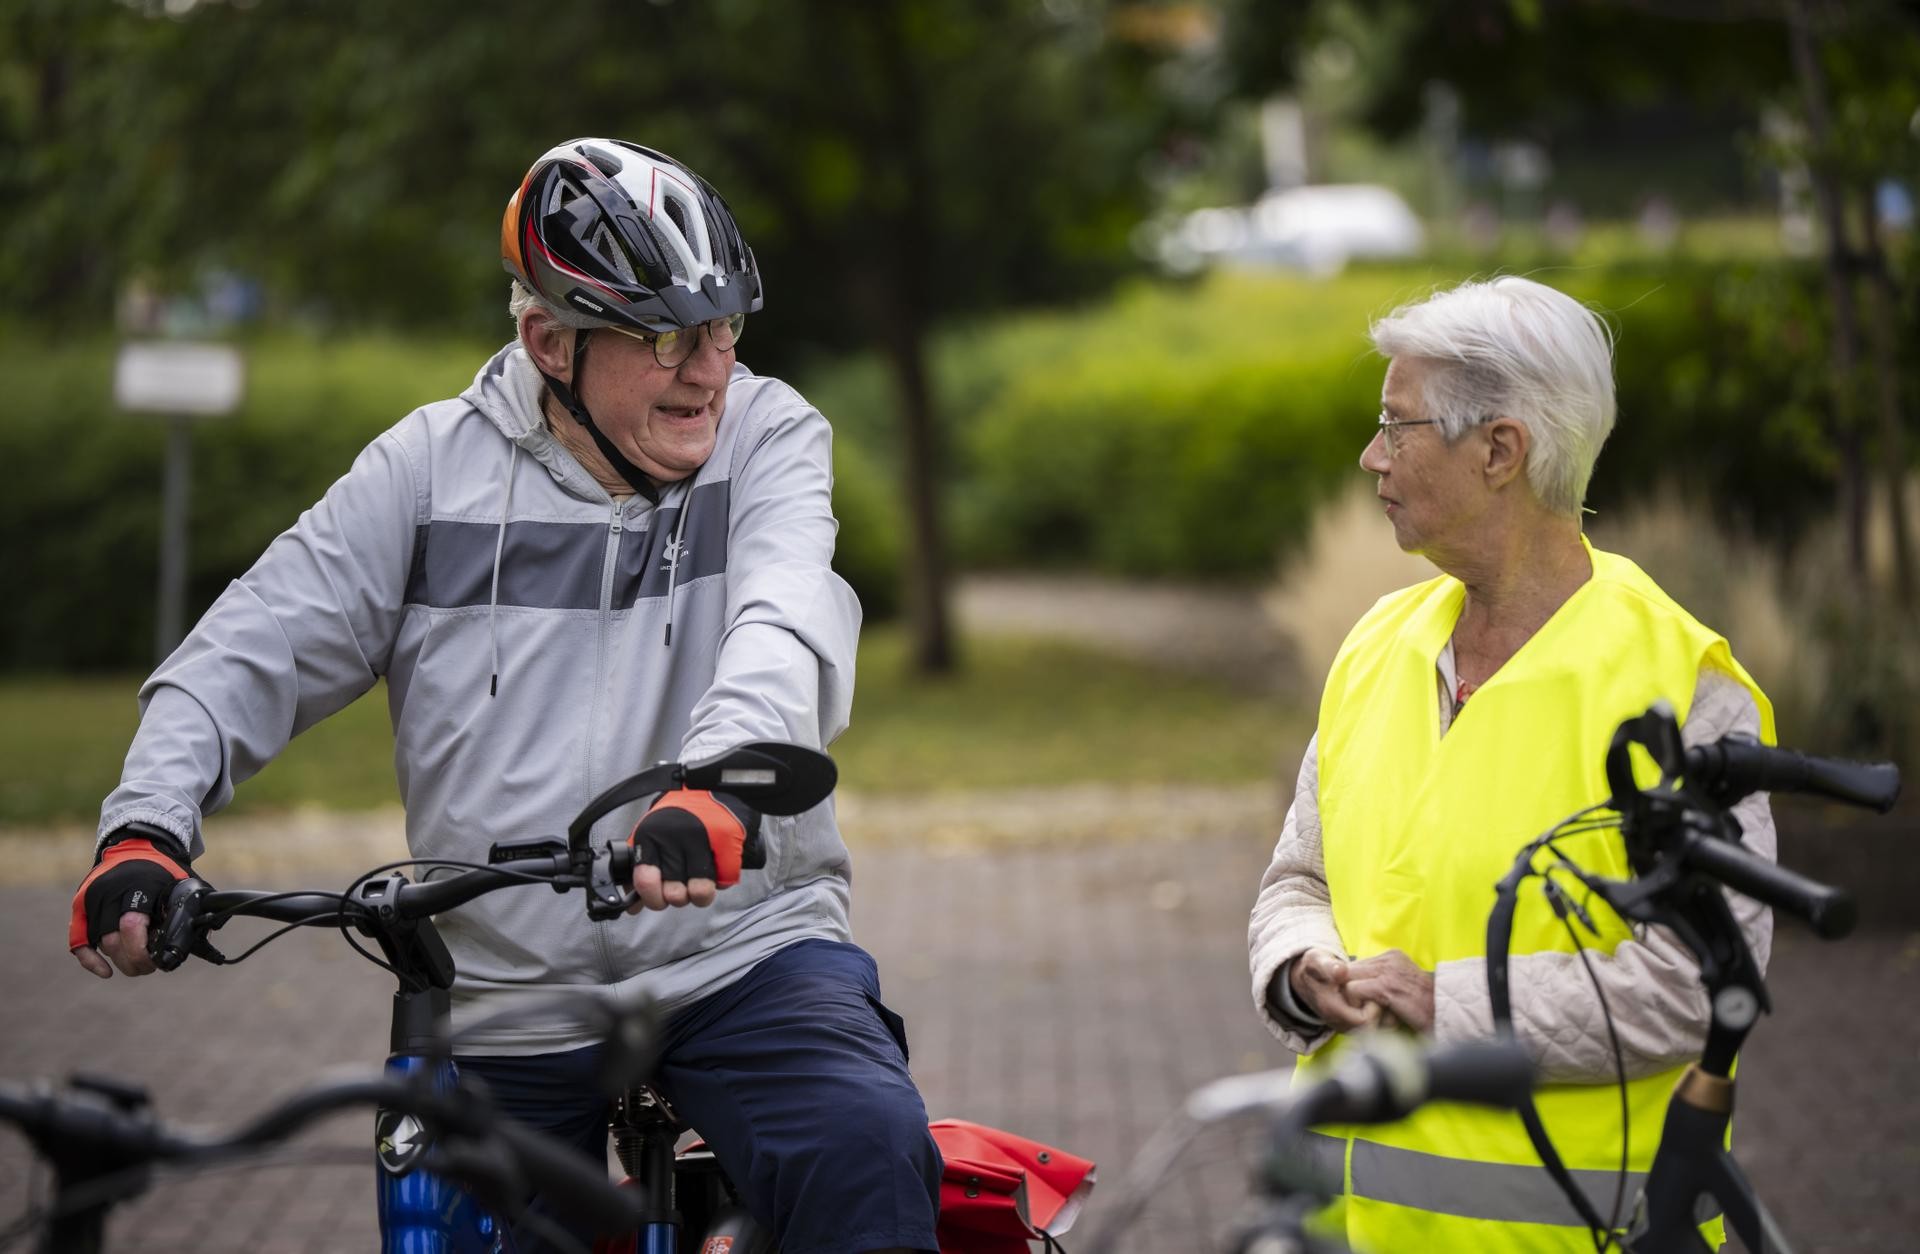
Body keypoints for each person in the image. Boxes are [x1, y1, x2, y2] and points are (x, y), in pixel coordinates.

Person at [67, 137, 941, 1254]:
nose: (709, 369)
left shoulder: (768, 439)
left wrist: (715, 787)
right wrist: (145, 827)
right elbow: (246, 651)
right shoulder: (425, 476)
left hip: (742, 955)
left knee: (864, 1150)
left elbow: (781, 622)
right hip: (501, 992)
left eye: (723, 327)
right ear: (548, 342)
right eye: (667, 334)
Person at [1247, 277, 1776, 1252]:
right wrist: (1299, 968)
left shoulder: (1685, 691)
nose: (1371, 457)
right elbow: (1300, 877)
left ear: (1500, 450)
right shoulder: (1374, 646)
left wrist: (1439, 1002)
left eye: (1396, 427)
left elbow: (1693, 985)